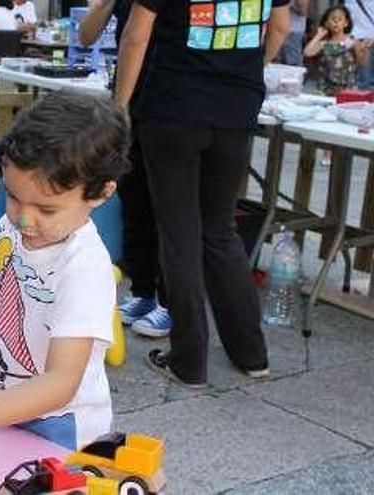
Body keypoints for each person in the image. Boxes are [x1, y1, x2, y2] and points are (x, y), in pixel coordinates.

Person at [0, 90, 130, 454]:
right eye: (13, 197)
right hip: (3, 404)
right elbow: (3, 288)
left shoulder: (83, 267)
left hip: (58, 425)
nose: (24, 218)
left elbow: (61, 381)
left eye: (46, 210)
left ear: (99, 193)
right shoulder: (15, 228)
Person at [115, 0, 289, 386]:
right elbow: (280, 27)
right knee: (220, 230)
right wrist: (243, 71)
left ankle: (188, 360)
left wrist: (119, 106)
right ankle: (252, 355)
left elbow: (135, 35)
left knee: (179, 234)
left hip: (173, 104)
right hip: (236, 108)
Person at [80, 0, 173, 338]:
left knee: (168, 207)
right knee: (135, 200)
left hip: (169, 102)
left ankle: (170, 300)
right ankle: (143, 291)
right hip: (131, 102)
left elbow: (138, 38)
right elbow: (86, 35)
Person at [304, 5, 366, 96]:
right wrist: (318, 35)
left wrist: (363, 50)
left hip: (347, 89)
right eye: (333, 19)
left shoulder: (352, 42)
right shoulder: (324, 44)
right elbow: (307, 52)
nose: (336, 22)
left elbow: (361, 63)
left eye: (340, 19)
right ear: (326, 23)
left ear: (346, 23)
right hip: (325, 90)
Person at [345, 0, 374, 88]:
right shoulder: (349, 2)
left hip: (370, 39)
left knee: (364, 76)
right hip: (354, 40)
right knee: (363, 77)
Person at [276, 0, 309, 66]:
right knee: (278, 61)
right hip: (278, 29)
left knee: (292, 60)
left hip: (293, 30)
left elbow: (302, 11)